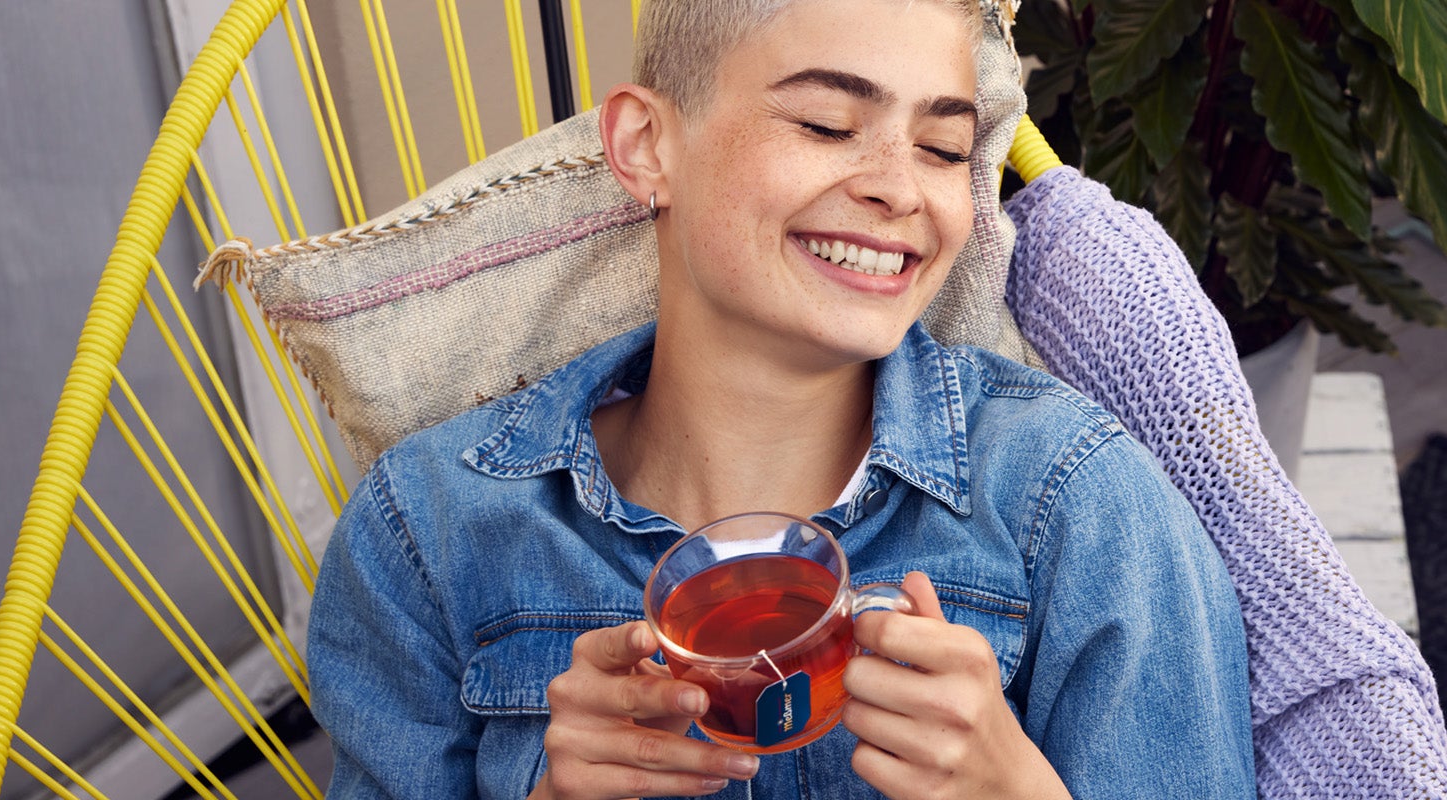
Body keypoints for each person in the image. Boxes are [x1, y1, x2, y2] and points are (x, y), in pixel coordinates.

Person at [304, 1, 1257, 798]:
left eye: (940, 146)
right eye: (826, 125)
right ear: (645, 144)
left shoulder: (1077, 505)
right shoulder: (428, 533)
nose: (897, 189)